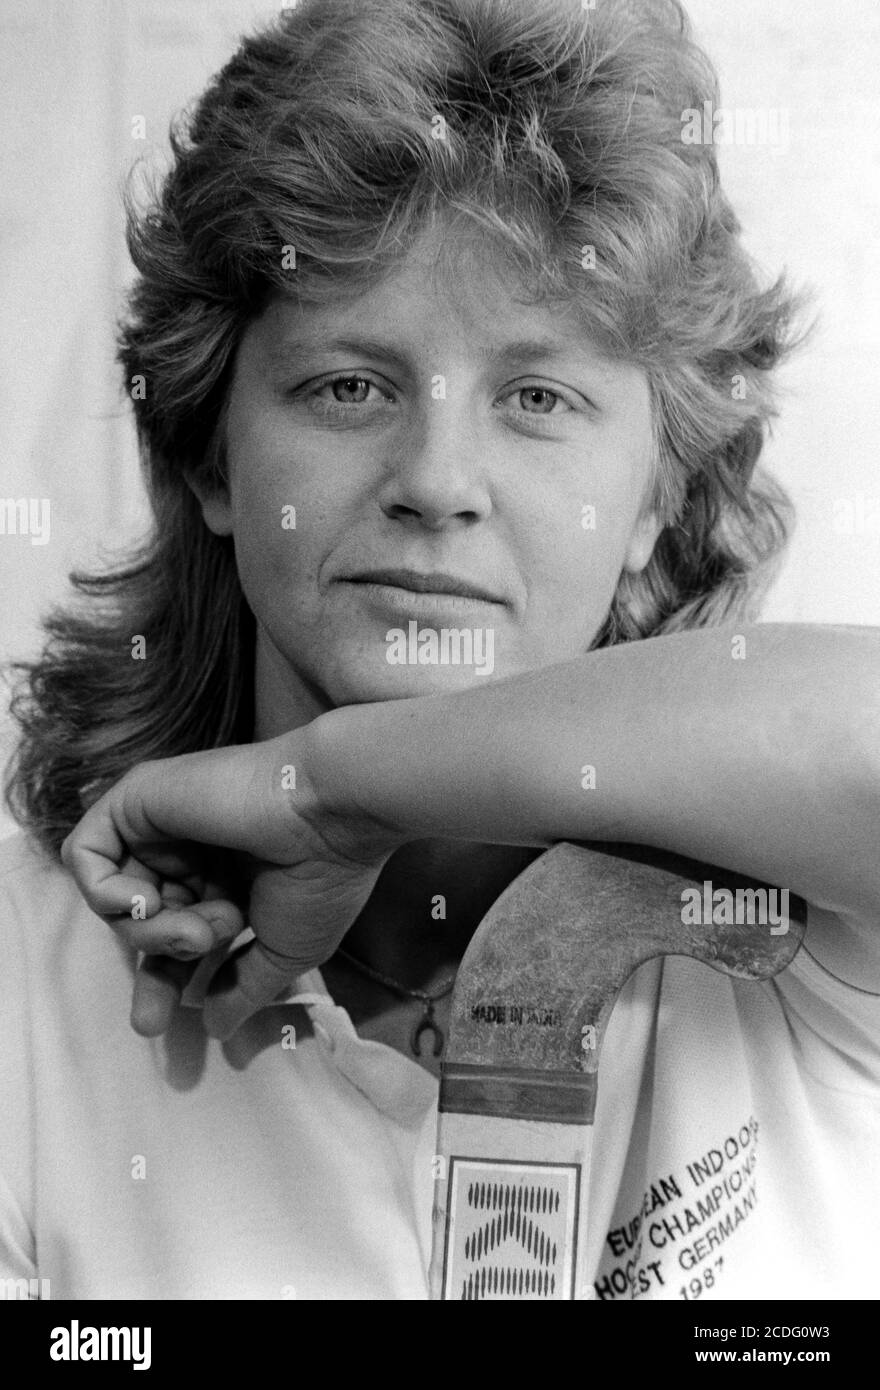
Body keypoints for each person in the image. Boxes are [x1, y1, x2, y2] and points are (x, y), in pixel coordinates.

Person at [2, 0, 878, 1301]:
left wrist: (335, 787)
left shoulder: (807, 933)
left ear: (659, 499)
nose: (438, 480)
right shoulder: (22, 996)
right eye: (349, 385)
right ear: (206, 455)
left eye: (538, 397)